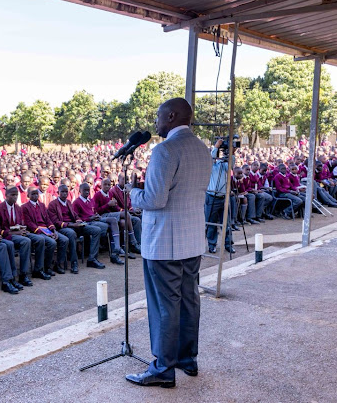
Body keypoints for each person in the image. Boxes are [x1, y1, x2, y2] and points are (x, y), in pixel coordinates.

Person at [125, 97, 211, 387]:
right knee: (189, 301)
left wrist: (131, 193)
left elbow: (154, 200)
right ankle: (187, 359)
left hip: (164, 244)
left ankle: (163, 368)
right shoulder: (202, 148)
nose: (156, 123)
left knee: (164, 306)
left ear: (172, 116)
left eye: (159, 116)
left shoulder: (165, 150)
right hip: (192, 240)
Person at [48, 184, 106, 271]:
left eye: (66, 192)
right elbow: (55, 222)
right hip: (63, 228)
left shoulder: (68, 202)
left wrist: (78, 220)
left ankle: (92, 259)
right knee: (71, 233)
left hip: (75, 226)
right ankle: (73, 263)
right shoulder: (53, 204)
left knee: (96, 230)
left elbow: (75, 215)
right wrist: (71, 225)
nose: (64, 194)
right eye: (62, 192)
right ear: (58, 192)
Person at [73, 183, 123, 265]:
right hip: (86, 223)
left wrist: (96, 215)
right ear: (79, 191)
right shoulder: (77, 202)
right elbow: (76, 218)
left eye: (88, 190)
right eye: (84, 190)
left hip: (95, 220)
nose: (87, 192)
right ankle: (93, 258)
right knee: (101, 228)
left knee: (113, 220)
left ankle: (116, 250)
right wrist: (89, 218)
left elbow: (95, 211)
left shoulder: (90, 200)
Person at [22, 187, 67, 276]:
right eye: (33, 194)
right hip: (36, 231)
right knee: (52, 243)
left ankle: (58, 265)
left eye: (36, 194)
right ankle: (46, 267)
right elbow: (29, 223)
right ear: (28, 195)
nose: (35, 196)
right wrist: (43, 232)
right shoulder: (24, 207)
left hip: (47, 229)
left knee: (64, 240)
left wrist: (53, 230)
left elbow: (47, 219)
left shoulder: (42, 205)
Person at [0, 186, 34, 286]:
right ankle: (20, 275)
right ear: (6, 195)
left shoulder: (18, 208)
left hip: (16, 234)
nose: (15, 197)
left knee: (31, 238)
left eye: (16, 195)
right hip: (5, 236)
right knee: (26, 241)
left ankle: (24, 274)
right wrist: (15, 233)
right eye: (12, 195)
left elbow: (18, 223)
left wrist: (21, 229)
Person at [205, 138, 235, 254]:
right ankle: (212, 245)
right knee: (211, 223)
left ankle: (228, 244)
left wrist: (231, 152)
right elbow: (210, 159)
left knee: (226, 223)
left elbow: (231, 166)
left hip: (224, 197)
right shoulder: (210, 165)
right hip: (212, 196)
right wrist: (216, 147)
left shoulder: (224, 165)